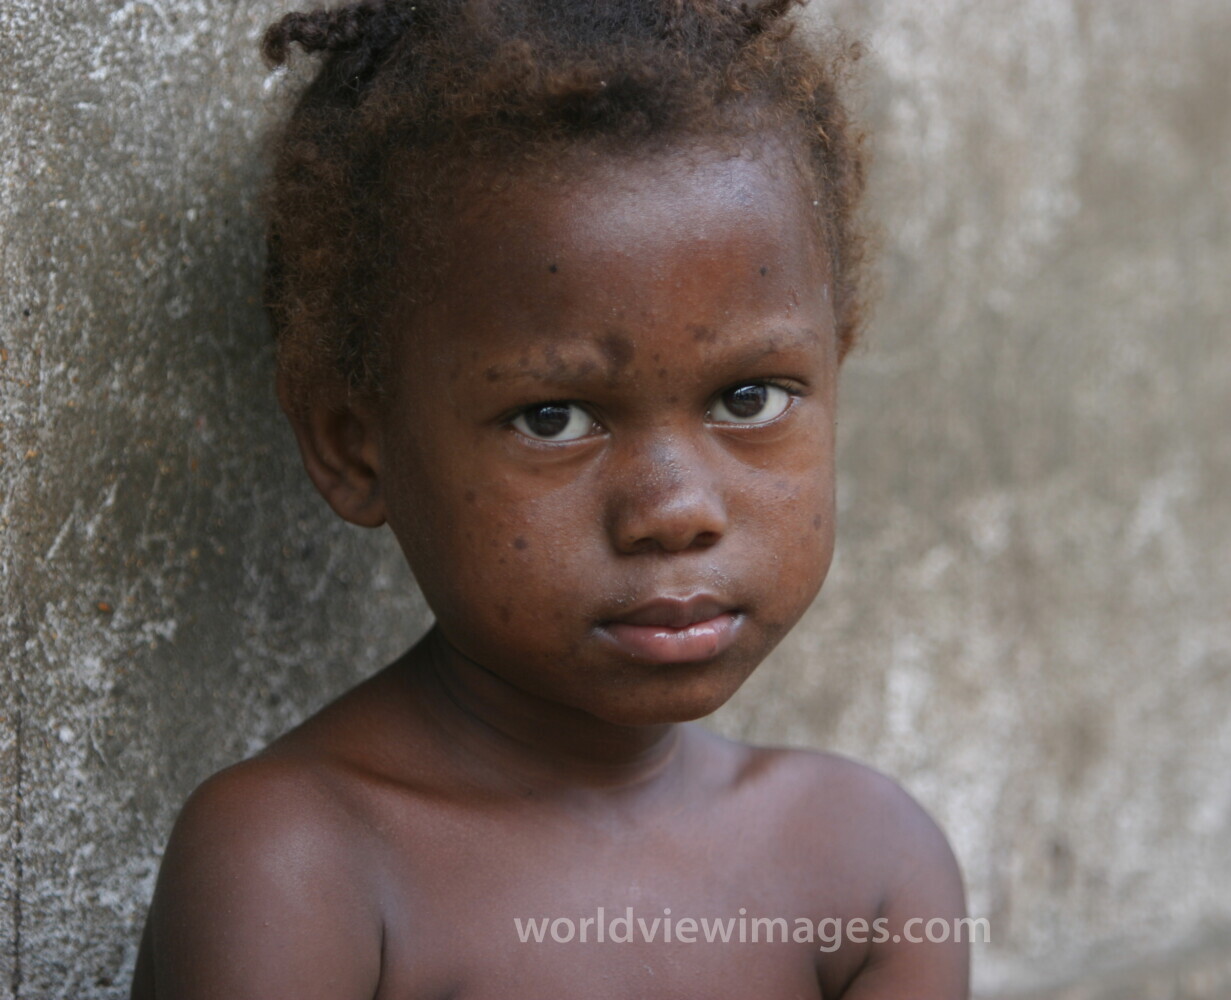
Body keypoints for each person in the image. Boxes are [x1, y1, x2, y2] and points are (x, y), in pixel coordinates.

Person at [130, 1, 970, 996]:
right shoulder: (303, 866)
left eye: (749, 398)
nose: (675, 509)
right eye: (553, 418)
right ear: (355, 446)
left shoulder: (867, 867)